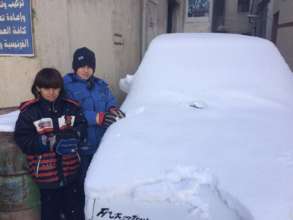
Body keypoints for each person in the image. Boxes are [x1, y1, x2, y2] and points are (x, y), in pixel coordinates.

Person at [14, 68, 87, 220]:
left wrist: (73, 137)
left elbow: (82, 127)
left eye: (55, 88)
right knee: (50, 215)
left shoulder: (71, 107)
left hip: (71, 173)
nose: (51, 92)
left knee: (75, 214)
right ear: (38, 88)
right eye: (47, 88)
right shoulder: (29, 112)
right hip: (46, 180)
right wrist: (49, 142)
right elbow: (23, 140)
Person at [63, 47, 125, 182]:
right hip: (82, 145)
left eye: (89, 67)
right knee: (84, 181)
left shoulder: (100, 85)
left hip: (102, 144)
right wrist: (97, 118)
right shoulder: (67, 86)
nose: (86, 70)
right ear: (75, 67)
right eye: (82, 66)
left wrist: (113, 109)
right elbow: (69, 113)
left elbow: (110, 100)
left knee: (103, 180)